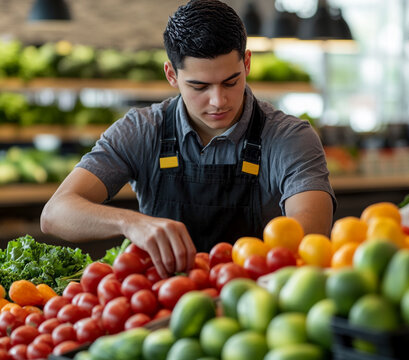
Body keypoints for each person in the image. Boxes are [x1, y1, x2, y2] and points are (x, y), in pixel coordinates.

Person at [40, 0, 336, 278]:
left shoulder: (289, 137)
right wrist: (131, 223)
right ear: (171, 74)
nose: (218, 100)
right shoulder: (141, 130)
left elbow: (311, 231)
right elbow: (55, 213)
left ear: (247, 63)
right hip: (161, 305)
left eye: (230, 82)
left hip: (254, 298)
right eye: (199, 86)